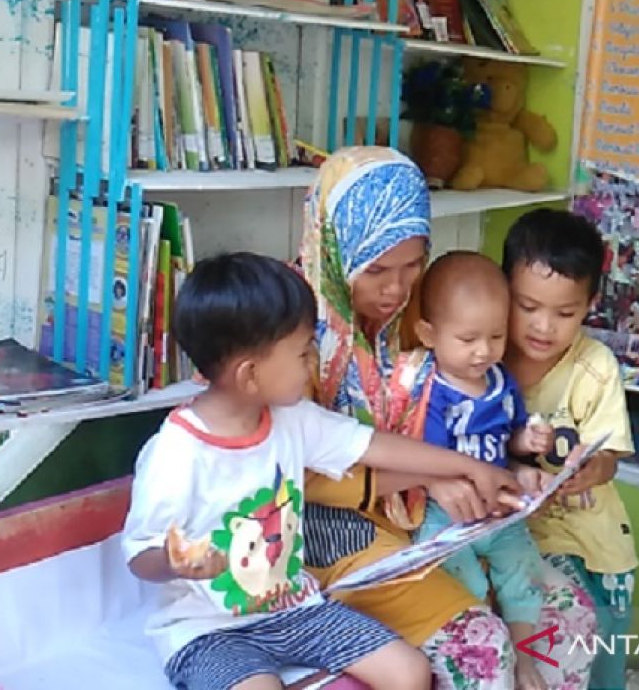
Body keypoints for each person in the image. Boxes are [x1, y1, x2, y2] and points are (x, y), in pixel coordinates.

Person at [122, 252, 524, 690]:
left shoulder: (291, 419)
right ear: (250, 374)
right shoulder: (177, 451)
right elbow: (140, 555)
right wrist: (178, 562)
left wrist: (469, 468)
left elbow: (375, 445)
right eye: (302, 352)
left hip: (295, 610)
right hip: (206, 632)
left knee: (409, 672)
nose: (314, 362)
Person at [298, 146, 597, 690]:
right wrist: (433, 478)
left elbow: (471, 422)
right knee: (480, 648)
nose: (396, 288)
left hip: (433, 524)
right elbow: (294, 478)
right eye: (377, 270)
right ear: (337, 251)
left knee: (569, 618)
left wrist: (513, 462)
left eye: (413, 264)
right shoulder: (295, 339)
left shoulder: (416, 317)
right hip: (339, 538)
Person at [502, 208, 639, 690]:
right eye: (528, 306)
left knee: (598, 659)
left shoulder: (595, 368)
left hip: (591, 545)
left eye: (564, 313)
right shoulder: (485, 355)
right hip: (515, 538)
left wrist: (591, 468)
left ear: (589, 305)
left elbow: (612, 457)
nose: (544, 327)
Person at [411, 251, 557, 690]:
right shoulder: (429, 391)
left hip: (499, 509)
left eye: (495, 336)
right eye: (468, 338)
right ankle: (487, 641)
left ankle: (526, 660)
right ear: (428, 334)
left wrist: (525, 448)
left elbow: (506, 438)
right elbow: (424, 459)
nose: (483, 351)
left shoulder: (501, 382)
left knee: (523, 569)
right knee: (462, 578)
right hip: (448, 515)